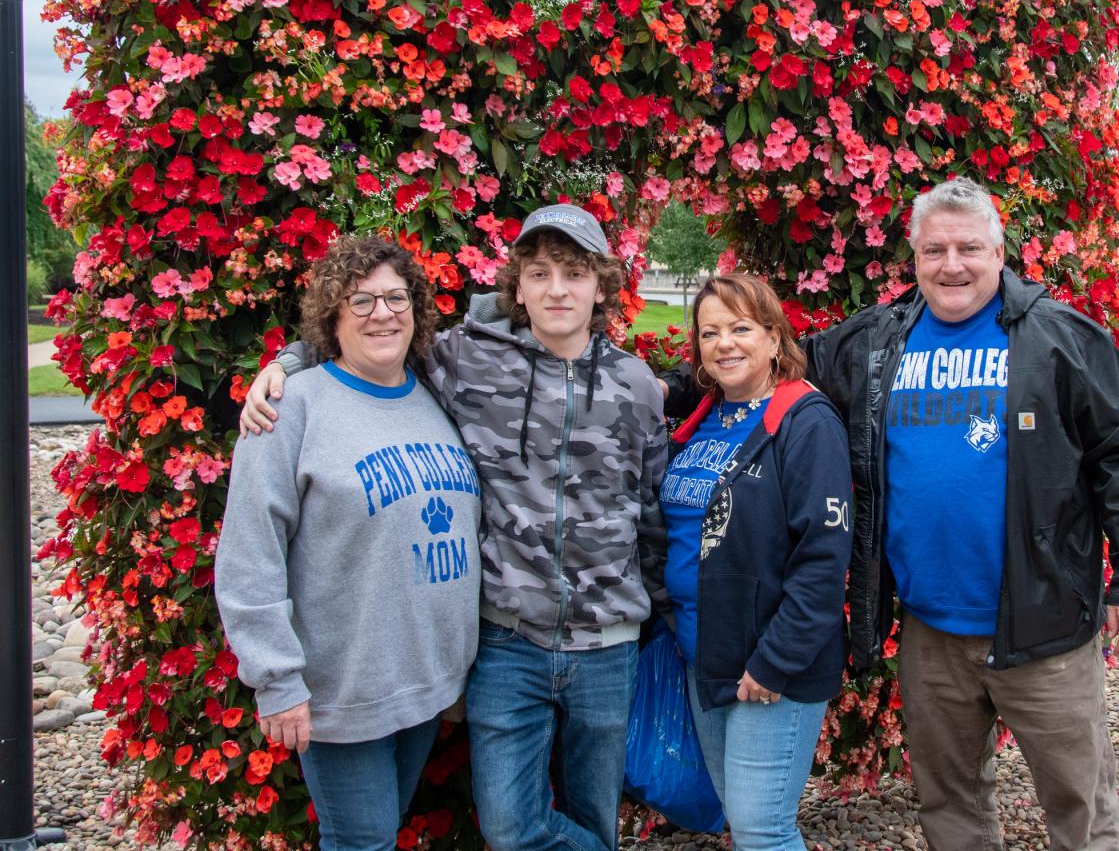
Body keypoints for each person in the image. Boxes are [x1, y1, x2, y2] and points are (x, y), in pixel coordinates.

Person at [665, 177, 1119, 850]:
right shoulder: (876, 341)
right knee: (951, 804)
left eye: (968, 247)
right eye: (934, 250)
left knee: (1079, 806)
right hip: (931, 628)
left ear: (999, 251)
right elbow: (761, 359)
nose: (951, 264)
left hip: (1045, 623)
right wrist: (658, 387)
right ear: (914, 257)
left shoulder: (1059, 338)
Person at [240, 204, 669, 851]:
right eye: (541, 272)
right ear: (517, 286)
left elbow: (653, 513)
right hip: (508, 646)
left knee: (592, 815)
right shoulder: (470, 362)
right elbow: (362, 341)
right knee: (507, 826)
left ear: (603, 284)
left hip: (605, 647)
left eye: (575, 273)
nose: (557, 289)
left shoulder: (635, 386)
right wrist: (289, 360)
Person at [215, 235, 483, 851]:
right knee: (362, 843)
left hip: (427, 684)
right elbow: (250, 553)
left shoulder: (434, 397)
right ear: (332, 317)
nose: (382, 313)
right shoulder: (291, 410)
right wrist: (277, 679)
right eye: (360, 301)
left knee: (377, 836)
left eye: (396, 297)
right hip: (343, 691)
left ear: (416, 309)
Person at [660, 274, 852, 850]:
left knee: (762, 830)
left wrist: (776, 661)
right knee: (738, 821)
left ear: (774, 338)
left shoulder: (805, 421)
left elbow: (823, 557)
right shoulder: (706, 417)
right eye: (710, 332)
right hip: (705, 650)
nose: (725, 344)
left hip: (769, 664)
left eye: (741, 328)